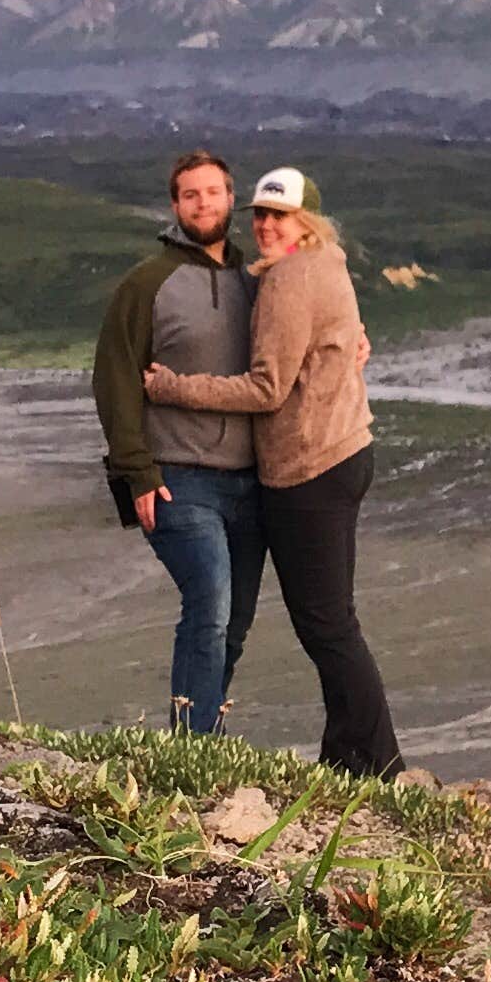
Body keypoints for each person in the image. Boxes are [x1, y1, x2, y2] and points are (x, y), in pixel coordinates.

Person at [146, 166, 398, 777]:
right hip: (343, 453)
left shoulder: (289, 278)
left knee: (326, 625)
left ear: (304, 222)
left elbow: (266, 388)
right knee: (330, 620)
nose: (264, 224)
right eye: (258, 213)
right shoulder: (327, 265)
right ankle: (345, 757)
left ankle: (381, 760)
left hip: (310, 467)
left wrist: (173, 386)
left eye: (278, 215)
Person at [93, 149, 265, 733]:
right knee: (210, 603)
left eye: (213, 192)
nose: (203, 203)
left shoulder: (255, 280)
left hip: (253, 481)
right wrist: (136, 472)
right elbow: (113, 378)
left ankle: (205, 736)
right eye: (190, 194)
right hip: (178, 479)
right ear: (175, 205)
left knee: (235, 621)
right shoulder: (147, 284)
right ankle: (189, 750)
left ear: (230, 198)